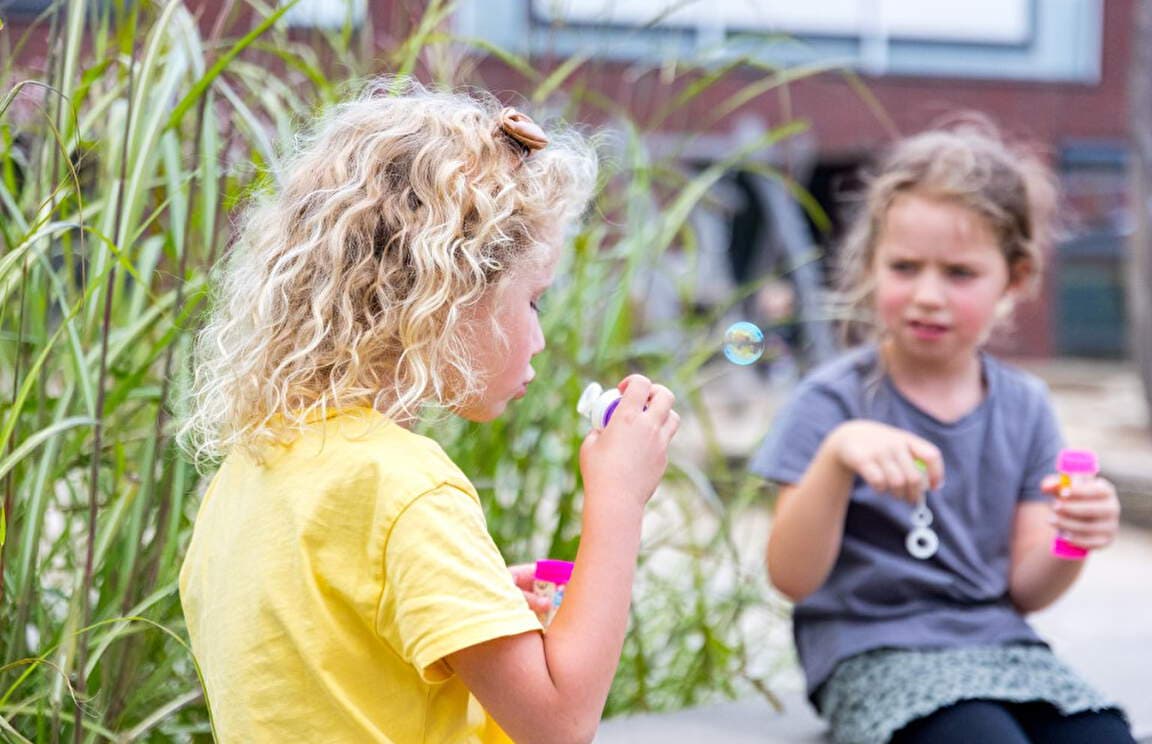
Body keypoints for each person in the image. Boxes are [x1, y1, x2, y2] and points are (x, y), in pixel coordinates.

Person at [178, 78, 679, 744]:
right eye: (532, 301)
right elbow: (559, 722)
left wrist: (465, 602)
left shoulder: (254, 468)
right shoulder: (407, 489)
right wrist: (619, 501)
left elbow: (330, 653)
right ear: (447, 296)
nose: (540, 337)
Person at [750, 123, 1136, 744]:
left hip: (1004, 649)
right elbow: (792, 577)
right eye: (905, 267)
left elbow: (1026, 589)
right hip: (871, 655)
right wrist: (837, 455)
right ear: (871, 264)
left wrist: (1073, 539)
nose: (927, 295)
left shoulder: (1027, 406)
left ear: (1013, 280)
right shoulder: (831, 401)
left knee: (1103, 737)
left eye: (959, 273)